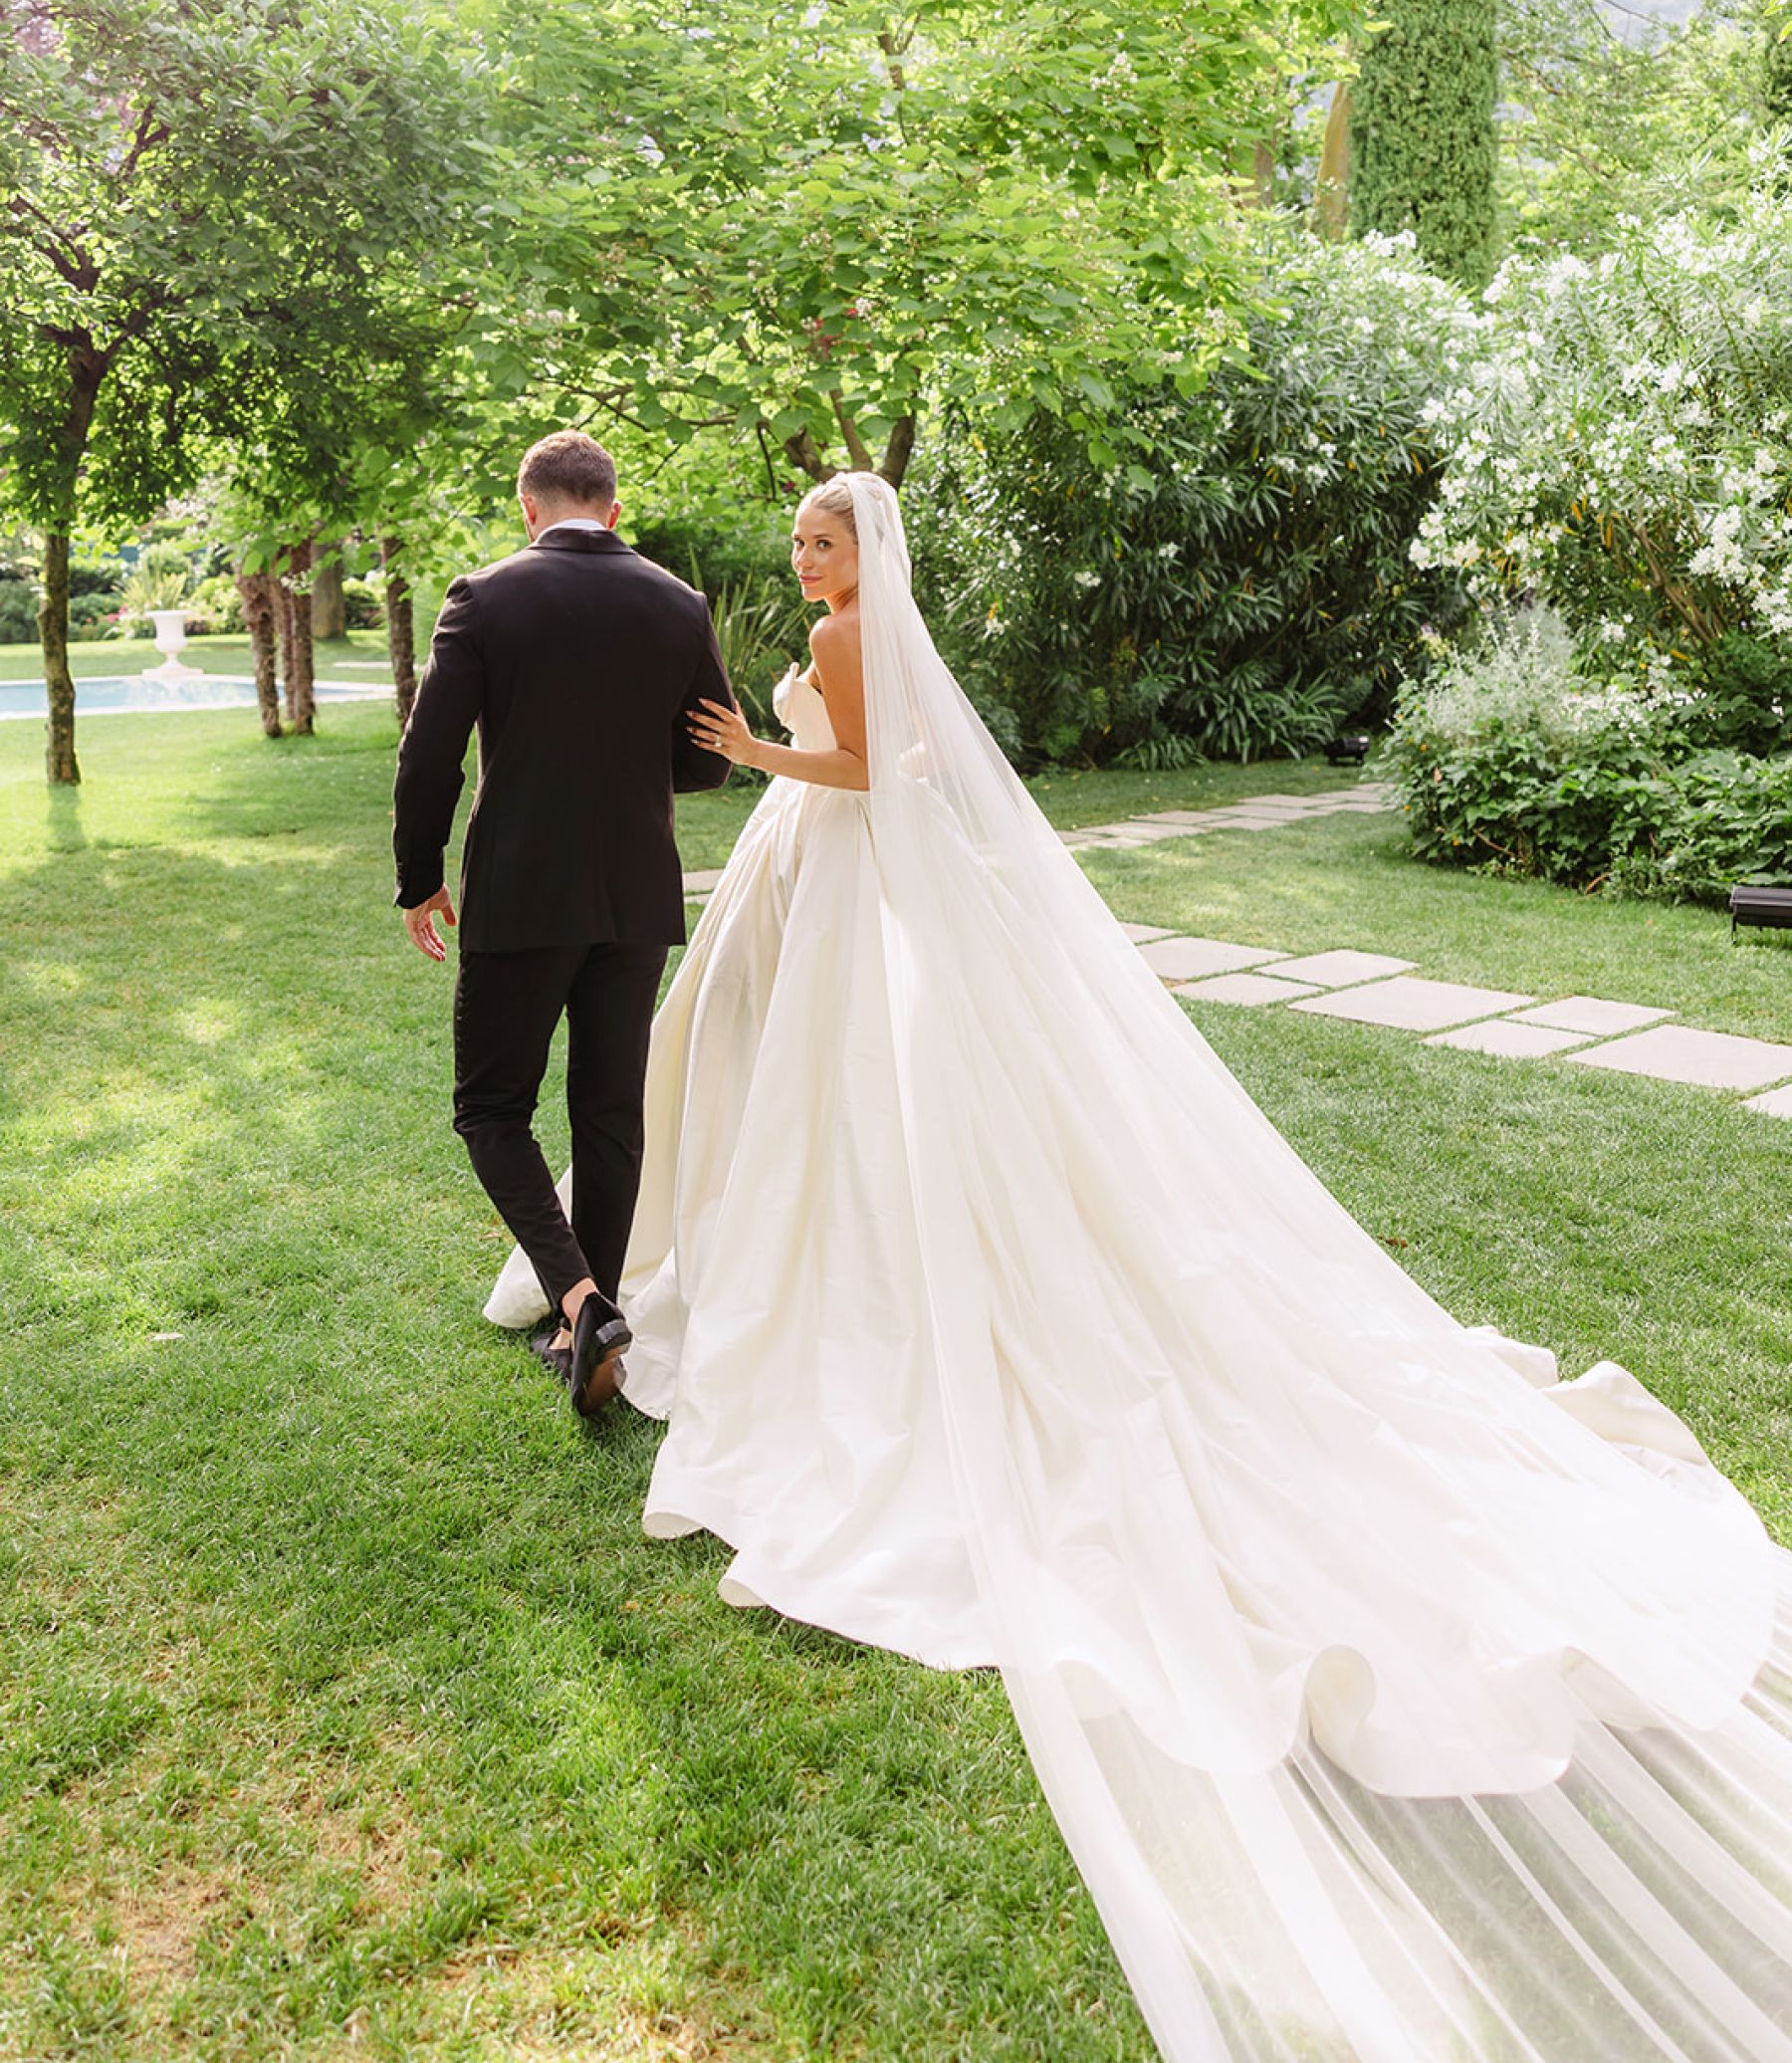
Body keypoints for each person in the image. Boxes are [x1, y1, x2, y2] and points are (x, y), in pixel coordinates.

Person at [484, 469, 1792, 2061]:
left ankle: (768, 1271)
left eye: (824, 540)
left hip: (829, 852)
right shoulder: (858, 621)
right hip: (815, 867)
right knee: (800, 1079)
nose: (807, 556)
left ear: (862, 548)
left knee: (827, 1093)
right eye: (809, 542)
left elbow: (866, 772)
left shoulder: (844, 638)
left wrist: (755, 750)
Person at [393, 429, 733, 1418]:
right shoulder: (679, 602)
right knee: (609, 1109)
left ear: (528, 506)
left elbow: (431, 757)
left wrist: (419, 880)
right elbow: (711, 757)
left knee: (491, 1107)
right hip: (634, 890)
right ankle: (601, 1312)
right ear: (614, 508)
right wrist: (626, 764)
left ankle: (580, 1297)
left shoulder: (485, 596)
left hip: (522, 890)